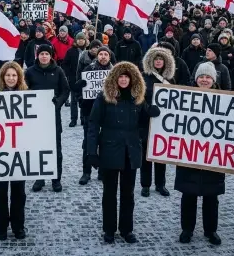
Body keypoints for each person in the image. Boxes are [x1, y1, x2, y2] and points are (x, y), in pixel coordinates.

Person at [87, 62, 160, 244]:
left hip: (131, 151)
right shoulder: (104, 98)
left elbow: (145, 120)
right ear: (115, 79)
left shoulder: (138, 99)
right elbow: (93, 125)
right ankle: (109, 230)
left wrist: (153, 112)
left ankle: (127, 230)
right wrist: (91, 151)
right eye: (120, 77)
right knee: (109, 193)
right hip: (110, 149)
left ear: (132, 79)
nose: (124, 79)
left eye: (127, 77)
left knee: (128, 193)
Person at [176, 62, 225, 246]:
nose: (204, 80)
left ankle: (210, 230)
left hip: (214, 154)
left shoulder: (226, 99)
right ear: (196, 79)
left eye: (208, 77)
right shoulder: (184, 96)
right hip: (189, 153)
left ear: (213, 79)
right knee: (188, 195)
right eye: (201, 77)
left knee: (211, 197)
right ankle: (187, 229)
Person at [25, 44, 70, 193]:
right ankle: (40, 178)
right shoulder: (30, 72)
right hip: (35, 117)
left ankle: (56, 179)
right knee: (38, 148)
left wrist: (58, 102)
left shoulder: (58, 71)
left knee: (55, 149)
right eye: (42, 53)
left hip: (52, 116)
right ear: (37, 55)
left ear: (51, 56)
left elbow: (65, 90)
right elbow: (23, 90)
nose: (44, 56)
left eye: (47, 54)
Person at [0, 62, 27, 240]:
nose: (11, 78)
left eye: (14, 75)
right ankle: (1, 227)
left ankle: (18, 226)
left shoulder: (27, 96)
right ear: (2, 77)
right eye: (8, 75)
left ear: (19, 77)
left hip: (20, 151)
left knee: (19, 191)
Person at [140, 46, 178, 198]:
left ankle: (160, 184)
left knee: (161, 154)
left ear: (166, 61)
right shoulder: (144, 77)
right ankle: (146, 184)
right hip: (146, 120)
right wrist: (147, 109)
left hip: (164, 123)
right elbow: (138, 96)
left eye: (161, 59)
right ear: (151, 61)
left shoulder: (170, 79)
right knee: (146, 155)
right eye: (155, 59)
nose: (158, 61)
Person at [74, 45, 113, 185]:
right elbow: (78, 89)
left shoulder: (114, 72)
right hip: (89, 112)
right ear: (97, 56)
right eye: (101, 54)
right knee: (88, 143)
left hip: (109, 114)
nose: (103, 56)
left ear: (109, 57)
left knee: (106, 143)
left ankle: (102, 171)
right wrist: (80, 98)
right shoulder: (88, 70)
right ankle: (86, 172)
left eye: (105, 54)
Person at [63, 32, 88, 127]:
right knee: (73, 100)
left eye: (82, 39)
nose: (80, 41)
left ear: (85, 40)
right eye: (79, 39)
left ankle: (83, 118)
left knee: (84, 100)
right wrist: (69, 74)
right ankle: (73, 119)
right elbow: (65, 64)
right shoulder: (71, 51)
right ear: (76, 41)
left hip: (85, 80)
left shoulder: (88, 51)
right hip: (74, 79)